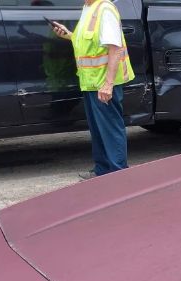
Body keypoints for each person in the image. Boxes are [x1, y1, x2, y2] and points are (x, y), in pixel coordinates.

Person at [51, 0, 133, 179]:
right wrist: (68, 35)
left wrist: (108, 84)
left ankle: (119, 175)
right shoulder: (88, 8)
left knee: (110, 129)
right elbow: (89, 43)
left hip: (103, 83)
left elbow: (115, 48)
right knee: (98, 130)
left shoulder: (105, 9)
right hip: (90, 82)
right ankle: (102, 171)